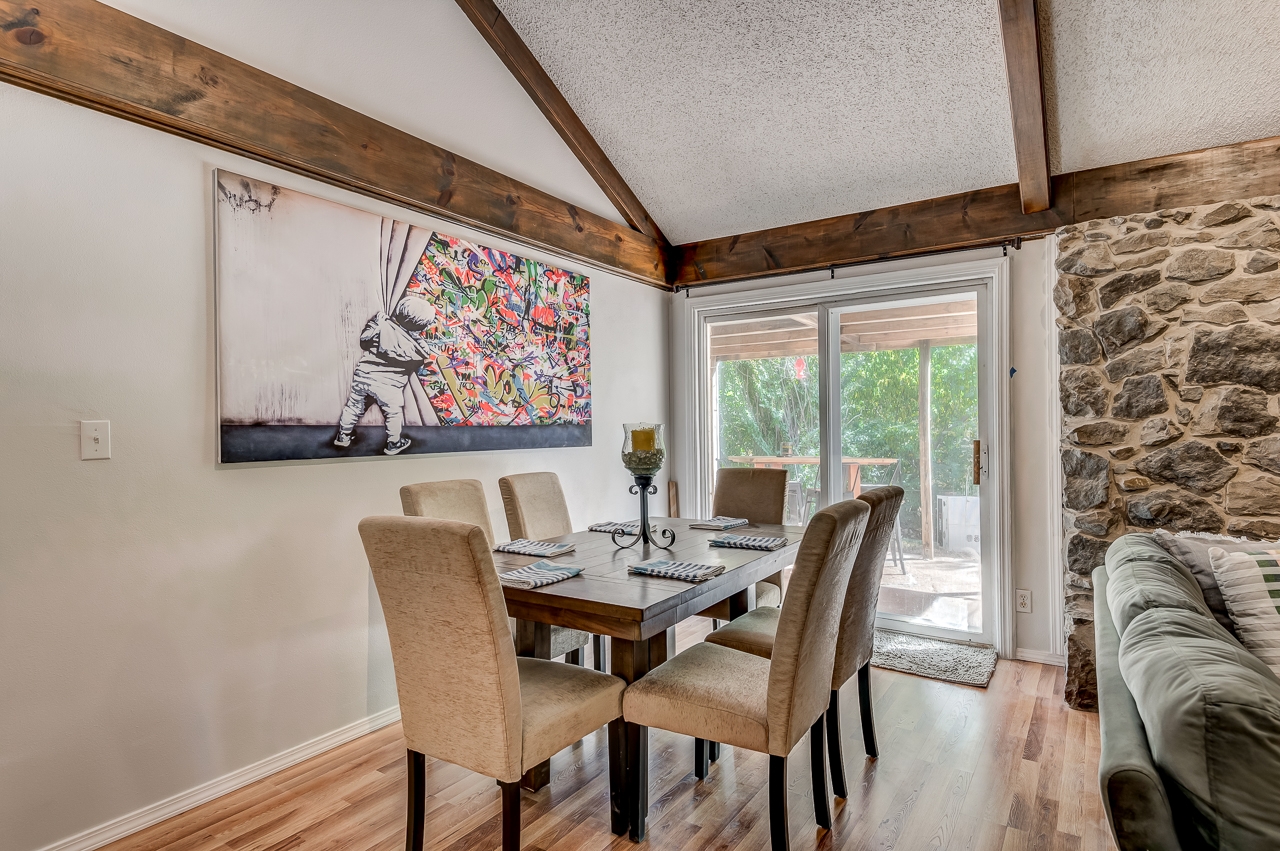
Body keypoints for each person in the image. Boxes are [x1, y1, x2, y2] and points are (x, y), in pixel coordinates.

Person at [333, 294, 437, 455]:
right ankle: (393, 443)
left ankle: (343, 436)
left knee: (353, 407)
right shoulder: (419, 348)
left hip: (364, 377)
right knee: (393, 414)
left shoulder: (382, 325)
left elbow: (364, 341)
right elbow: (418, 361)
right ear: (421, 327)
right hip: (390, 387)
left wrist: (376, 322)